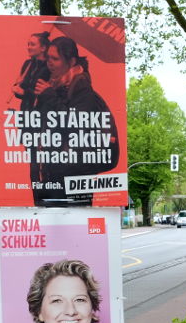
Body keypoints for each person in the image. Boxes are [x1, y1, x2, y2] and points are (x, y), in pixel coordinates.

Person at [31, 36, 120, 206]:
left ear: (71, 61)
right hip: (55, 169)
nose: (49, 63)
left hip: (75, 173)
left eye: (55, 59)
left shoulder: (81, 89)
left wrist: (49, 96)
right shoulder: (54, 84)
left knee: (76, 222)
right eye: (48, 57)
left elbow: (77, 125)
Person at [11, 31, 50, 111]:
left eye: (32, 44)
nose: (29, 47)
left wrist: (25, 93)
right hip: (25, 111)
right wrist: (16, 88)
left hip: (41, 112)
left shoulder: (49, 66)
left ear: (43, 48)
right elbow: (21, 90)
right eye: (28, 44)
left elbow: (46, 95)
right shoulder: (27, 64)